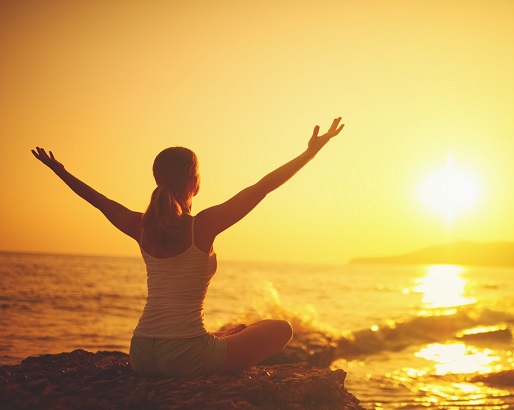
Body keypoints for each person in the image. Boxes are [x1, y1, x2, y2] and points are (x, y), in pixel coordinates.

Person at [31, 117, 345, 377]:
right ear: (195, 182)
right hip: (185, 357)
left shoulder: (142, 226)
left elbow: (100, 202)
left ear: (157, 178)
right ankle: (213, 343)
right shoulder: (202, 226)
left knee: (236, 329)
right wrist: (309, 154)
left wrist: (61, 171)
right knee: (281, 328)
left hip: (142, 352)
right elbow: (263, 187)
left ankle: (216, 338)